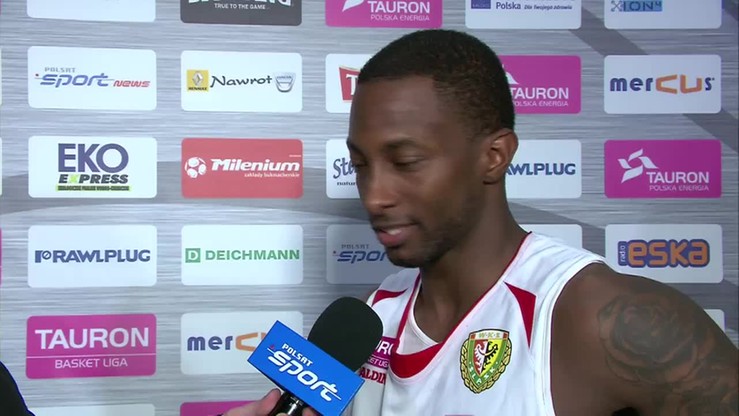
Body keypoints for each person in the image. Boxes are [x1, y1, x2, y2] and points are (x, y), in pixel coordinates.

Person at [225, 29, 738, 416]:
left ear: (494, 156)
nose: (375, 196)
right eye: (360, 165)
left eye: (406, 162)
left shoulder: (602, 319)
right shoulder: (368, 319)